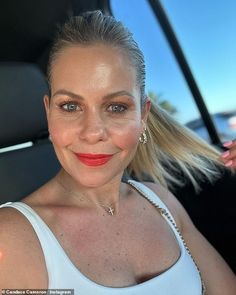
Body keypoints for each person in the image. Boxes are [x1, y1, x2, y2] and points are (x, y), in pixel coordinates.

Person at [0, 10, 235, 294]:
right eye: (71, 106)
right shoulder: (11, 240)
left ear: (143, 116)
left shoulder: (162, 202)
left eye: (116, 107)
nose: (92, 132)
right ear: (48, 113)